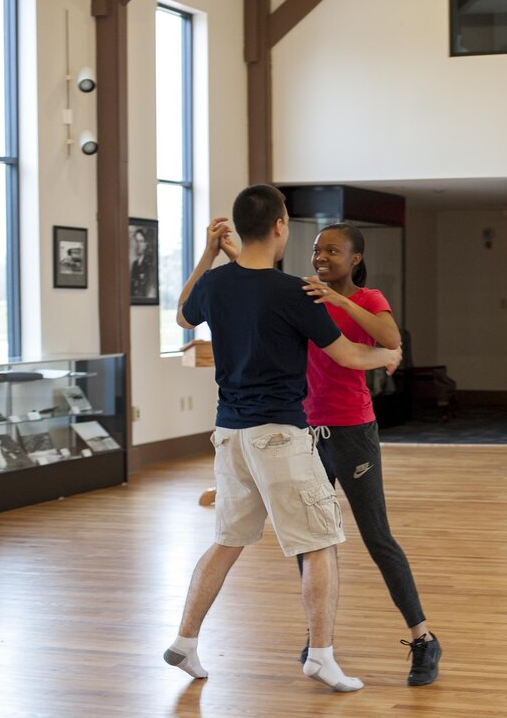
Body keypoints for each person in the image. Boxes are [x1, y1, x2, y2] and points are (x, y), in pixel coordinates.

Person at [163, 185, 402, 693]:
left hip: (229, 435)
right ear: (278, 227)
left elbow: (184, 315)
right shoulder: (292, 291)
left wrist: (208, 254)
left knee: (226, 542)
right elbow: (348, 356)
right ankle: (320, 656)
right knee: (320, 544)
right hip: (279, 435)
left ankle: (185, 641)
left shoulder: (218, 284)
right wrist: (386, 357)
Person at [296, 222, 442, 687]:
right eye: (317, 249)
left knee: (377, 538)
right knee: (311, 542)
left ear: (355, 258)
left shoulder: (367, 298)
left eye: (332, 251)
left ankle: (424, 639)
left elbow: (390, 338)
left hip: (353, 431)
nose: (320, 257)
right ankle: (318, 639)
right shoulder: (301, 297)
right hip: (308, 432)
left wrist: (337, 299)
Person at [130, 228, 156, 298]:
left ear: (145, 244)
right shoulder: (134, 265)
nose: (138, 245)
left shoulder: (149, 265)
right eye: (137, 241)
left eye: (141, 241)